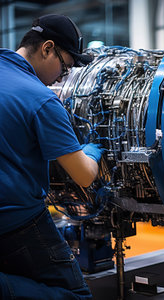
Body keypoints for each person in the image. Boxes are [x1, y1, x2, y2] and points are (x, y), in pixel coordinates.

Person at [0, 14, 103, 299]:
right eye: (65, 66)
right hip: (15, 221)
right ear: (47, 48)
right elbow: (83, 175)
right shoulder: (41, 99)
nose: (62, 77)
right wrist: (92, 150)